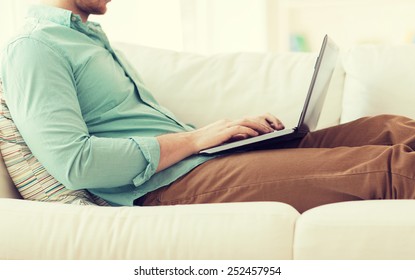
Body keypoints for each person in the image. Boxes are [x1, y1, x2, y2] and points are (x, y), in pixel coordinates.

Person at [1, 0, 415, 213]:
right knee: (390, 170)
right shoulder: (35, 47)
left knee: (387, 128)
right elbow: (76, 163)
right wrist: (198, 139)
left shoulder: (89, 38)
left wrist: (229, 133)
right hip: (162, 187)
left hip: (198, 162)